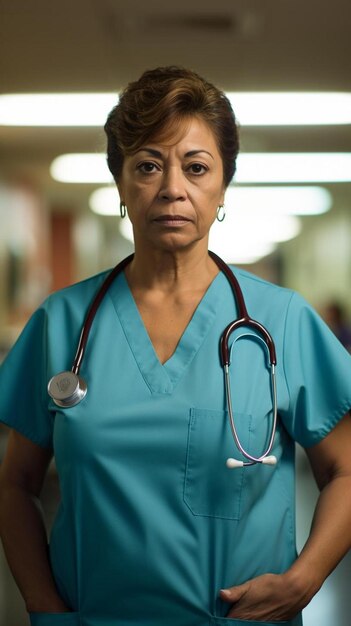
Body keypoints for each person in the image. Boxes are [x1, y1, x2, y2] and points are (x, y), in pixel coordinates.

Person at [0, 66, 351, 626]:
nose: (172, 188)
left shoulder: (280, 321)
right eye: (147, 165)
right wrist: (43, 604)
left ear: (222, 186)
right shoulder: (61, 323)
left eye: (195, 167)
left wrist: (302, 582)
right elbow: (15, 484)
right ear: (120, 183)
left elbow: (346, 471)